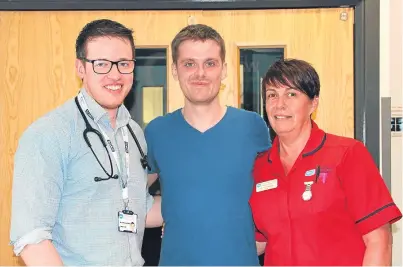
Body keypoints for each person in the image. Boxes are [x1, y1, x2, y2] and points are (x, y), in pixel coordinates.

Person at [10, 19, 163, 266]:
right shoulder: (49, 134)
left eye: (124, 64)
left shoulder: (133, 134)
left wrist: (201, 195)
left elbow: (141, 209)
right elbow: (31, 238)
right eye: (101, 64)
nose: (115, 75)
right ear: (80, 68)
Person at [250, 58, 402, 266]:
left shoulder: (347, 154)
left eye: (291, 94)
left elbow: (379, 240)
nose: (280, 104)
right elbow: (258, 242)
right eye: (272, 95)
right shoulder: (260, 167)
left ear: (313, 102)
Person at [144, 24, 271, 266]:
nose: (200, 73)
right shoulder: (157, 131)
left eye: (210, 63)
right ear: (174, 70)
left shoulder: (252, 127)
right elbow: (130, 199)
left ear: (223, 69)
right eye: (189, 63)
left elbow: (272, 194)